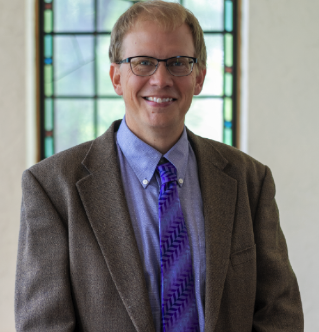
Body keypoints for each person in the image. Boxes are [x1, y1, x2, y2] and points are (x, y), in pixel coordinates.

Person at [15, 1, 303, 331]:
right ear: (116, 77)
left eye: (179, 63)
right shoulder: (51, 187)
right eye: (143, 63)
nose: (161, 79)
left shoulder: (250, 180)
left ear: (199, 77)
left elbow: (280, 312)